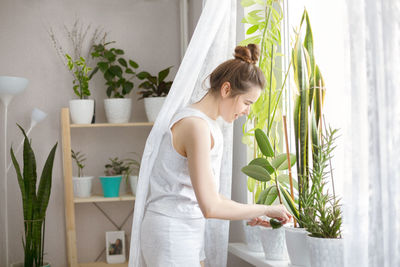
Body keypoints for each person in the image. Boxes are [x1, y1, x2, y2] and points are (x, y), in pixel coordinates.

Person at [139, 44, 292, 267]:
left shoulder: (205, 125)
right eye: (247, 102)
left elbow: (212, 197)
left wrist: (253, 214)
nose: (247, 111)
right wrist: (267, 208)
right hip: (172, 232)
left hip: (184, 229)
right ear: (227, 89)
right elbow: (210, 207)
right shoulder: (196, 127)